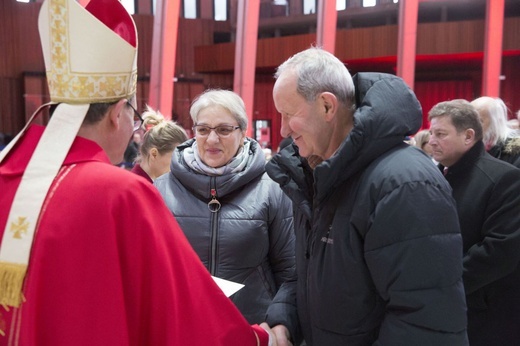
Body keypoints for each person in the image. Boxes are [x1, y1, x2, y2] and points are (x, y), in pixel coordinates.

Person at [0, 0, 275, 344]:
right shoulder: (122, 193)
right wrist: (258, 339)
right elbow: (182, 313)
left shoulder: (8, 180)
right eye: (132, 112)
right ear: (117, 114)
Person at [265, 47, 468, 345]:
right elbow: (310, 271)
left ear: (326, 106)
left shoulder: (405, 184)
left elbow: (425, 324)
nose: (282, 129)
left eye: (288, 114)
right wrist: (285, 318)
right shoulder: (316, 174)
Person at [154, 89, 297, 331]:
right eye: (203, 130)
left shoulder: (272, 189)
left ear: (242, 133)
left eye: (223, 130)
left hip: (252, 328)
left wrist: (281, 323)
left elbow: (290, 270)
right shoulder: (160, 190)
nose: (211, 140)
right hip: (182, 327)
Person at [428, 99, 520, 346]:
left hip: (486, 313)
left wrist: (443, 284)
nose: (431, 140)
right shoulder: (437, 175)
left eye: (440, 134)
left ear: (468, 136)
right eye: (431, 133)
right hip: (451, 305)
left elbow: (500, 251)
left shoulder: (505, 178)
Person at [131, 106, 188, 183]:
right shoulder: (136, 187)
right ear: (154, 154)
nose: (181, 167)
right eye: (176, 160)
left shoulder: (155, 184)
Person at [470, 96, 520, 167]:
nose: (471, 126)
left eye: (479, 121)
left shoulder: (516, 146)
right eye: (469, 121)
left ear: (496, 122)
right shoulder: (470, 144)